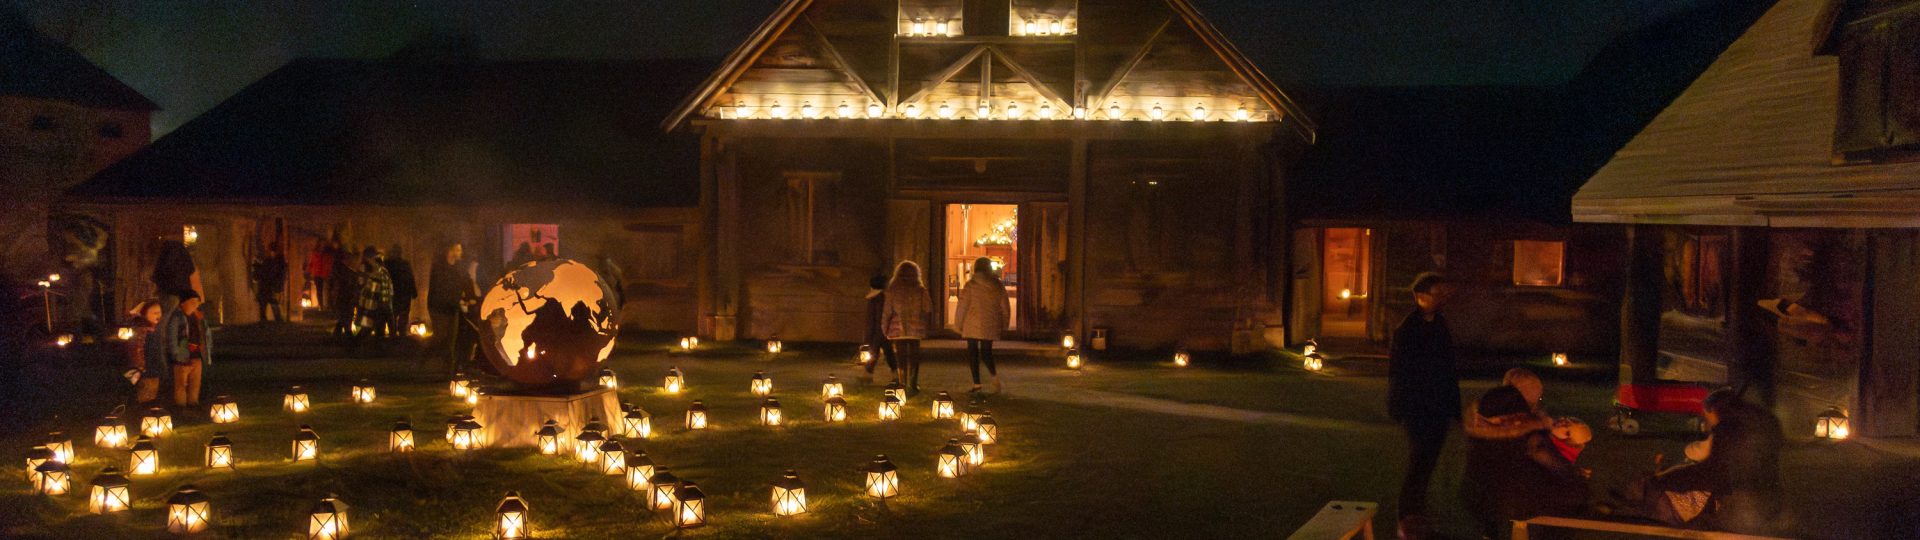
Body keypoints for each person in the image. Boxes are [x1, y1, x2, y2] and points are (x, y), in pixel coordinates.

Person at [1614, 389, 1782, 533]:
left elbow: (1712, 473)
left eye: (1708, 419)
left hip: (1744, 507)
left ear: (1715, 411)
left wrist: (1665, 481)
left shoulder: (1730, 430)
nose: (1708, 425)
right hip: (1767, 501)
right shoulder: (1757, 423)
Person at [1386, 272, 1460, 538]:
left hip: (1438, 406)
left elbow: (1450, 368)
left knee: (1428, 463)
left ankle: (1417, 517)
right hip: (1417, 408)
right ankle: (1407, 519)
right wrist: (1398, 407)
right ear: (1421, 297)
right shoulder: (1407, 330)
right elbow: (1398, 372)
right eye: (1436, 293)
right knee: (1418, 463)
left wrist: (1454, 407)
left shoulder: (1440, 324)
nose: (1441, 298)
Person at [1461, 386, 1590, 537]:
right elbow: (1543, 456)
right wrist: (1576, 476)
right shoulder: (1528, 431)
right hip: (1514, 502)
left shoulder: (1478, 424)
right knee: (1575, 499)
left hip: (1476, 497)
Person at [954, 257, 1009, 394]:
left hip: (971, 323)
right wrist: (1005, 323)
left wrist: (958, 323)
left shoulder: (971, 285)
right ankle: (994, 378)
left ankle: (977, 383)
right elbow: (1005, 306)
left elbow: (963, 305)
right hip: (990, 323)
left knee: (973, 352)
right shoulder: (997, 285)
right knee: (987, 352)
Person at [881, 261, 931, 396]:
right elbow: (927, 308)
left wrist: (884, 328)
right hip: (916, 327)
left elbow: (887, 311)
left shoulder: (893, 289)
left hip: (898, 328)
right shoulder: (920, 289)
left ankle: (902, 383)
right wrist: (924, 323)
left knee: (901, 356)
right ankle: (913, 383)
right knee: (914, 355)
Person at [428, 243, 478, 372]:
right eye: (458, 250)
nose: (461, 253)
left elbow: (466, 281)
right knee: (441, 337)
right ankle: (426, 356)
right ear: (451, 251)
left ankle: (447, 369)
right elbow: (438, 288)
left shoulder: (459, 268)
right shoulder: (440, 267)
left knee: (451, 339)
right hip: (439, 308)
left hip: (453, 308)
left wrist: (471, 297)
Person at [162, 291, 210, 409]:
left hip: (197, 355)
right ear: (183, 303)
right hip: (182, 356)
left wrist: (206, 349)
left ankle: (193, 402)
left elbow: (205, 334)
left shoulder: (198, 317)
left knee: (195, 382)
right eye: (192, 302)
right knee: (181, 383)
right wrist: (176, 354)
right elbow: (172, 337)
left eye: (197, 302)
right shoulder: (177, 317)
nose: (195, 305)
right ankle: (180, 405)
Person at [123, 300, 165, 406]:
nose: (158, 316)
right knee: (145, 400)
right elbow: (138, 352)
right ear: (145, 314)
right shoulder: (142, 331)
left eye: (159, 312)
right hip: (145, 372)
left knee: (150, 398)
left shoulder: (152, 330)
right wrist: (142, 370)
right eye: (155, 313)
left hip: (152, 370)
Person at [860, 275, 899, 384]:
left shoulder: (875, 298)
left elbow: (873, 317)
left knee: (876, 352)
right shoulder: (882, 298)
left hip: (879, 330)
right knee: (886, 352)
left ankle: (868, 375)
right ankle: (895, 374)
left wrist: (869, 334)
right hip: (882, 330)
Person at [354, 247, 395, 341]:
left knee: (375, 329)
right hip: (370, 304)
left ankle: (371, 349)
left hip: (377, 304)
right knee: (368, 328)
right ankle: (355, 347)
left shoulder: (382, 271)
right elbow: (361, 284)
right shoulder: (367, 269)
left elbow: (387, 288)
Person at [151, 238, 200, 314]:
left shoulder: (164, 260)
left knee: (167, 317)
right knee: (174, 317)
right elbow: (191, 270)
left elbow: (157, 276)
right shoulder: (183, 258)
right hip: (181, 294)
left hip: (168, 292)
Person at [384, 245, 417, 336]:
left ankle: (393, 334)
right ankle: (401, 334)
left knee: (393, 315)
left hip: (393, 295)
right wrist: (414, 292)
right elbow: (411, 278)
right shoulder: (405, 264)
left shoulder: (387, 264)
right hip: (404, 295)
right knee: (403, 316)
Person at [251, 242, 288, 322]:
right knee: (270, 303)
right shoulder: (275, 260)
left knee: (269, 303)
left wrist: (257, 268)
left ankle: (270, 320)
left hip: (269, 286)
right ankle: (274, 320)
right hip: (270, 286)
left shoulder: (275, 261)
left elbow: (268, 272)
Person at [331, 243, 359, 336]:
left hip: (345, 293)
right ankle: (347, 333)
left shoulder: (341, 267)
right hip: (345, 293)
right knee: (347, 313)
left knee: (344, 314)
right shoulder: (343, 269)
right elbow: (342, 280)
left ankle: (340, 332)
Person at [306, 239, 334, 309]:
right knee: (319, 290)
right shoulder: (314, 253)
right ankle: (321, 305)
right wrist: (309, 271)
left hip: (325, 273)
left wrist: (330, 271)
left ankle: (327, 305)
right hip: (317, 273)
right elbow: (311, 263)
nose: (322, 246)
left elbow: (330, 263)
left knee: (327, 290)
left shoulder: (328, 254)